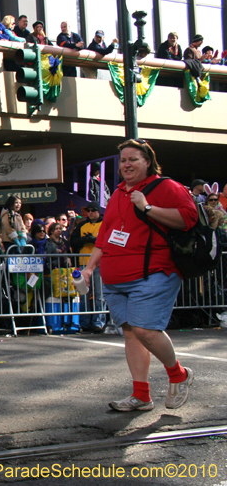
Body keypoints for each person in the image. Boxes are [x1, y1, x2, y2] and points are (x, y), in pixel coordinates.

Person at [81, 139, 197, 411]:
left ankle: (178, 374)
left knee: (146, 330)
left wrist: (147, 207)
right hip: (115, 277)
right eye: (123, 160)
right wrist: (89, 267)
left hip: (153, 272)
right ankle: (141, 395)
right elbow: (105, 237)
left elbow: (187, 219)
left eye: (134, 159)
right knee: (131, 334)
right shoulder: (119, 193)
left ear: (148, 161)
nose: (127, 164)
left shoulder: (166, 186)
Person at [70, 202, 105, 332]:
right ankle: (85, 322)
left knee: (99, 294)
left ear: (98, 211)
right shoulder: (82, 225)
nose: (90, 213)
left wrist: (95, 240)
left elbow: (108, 240)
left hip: (101, 263)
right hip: (84, 262)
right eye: (88, 211)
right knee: (84, 293)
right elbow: (73, 241)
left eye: (93, 210)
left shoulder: (105, 223)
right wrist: (84, 240)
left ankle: (98, 322)